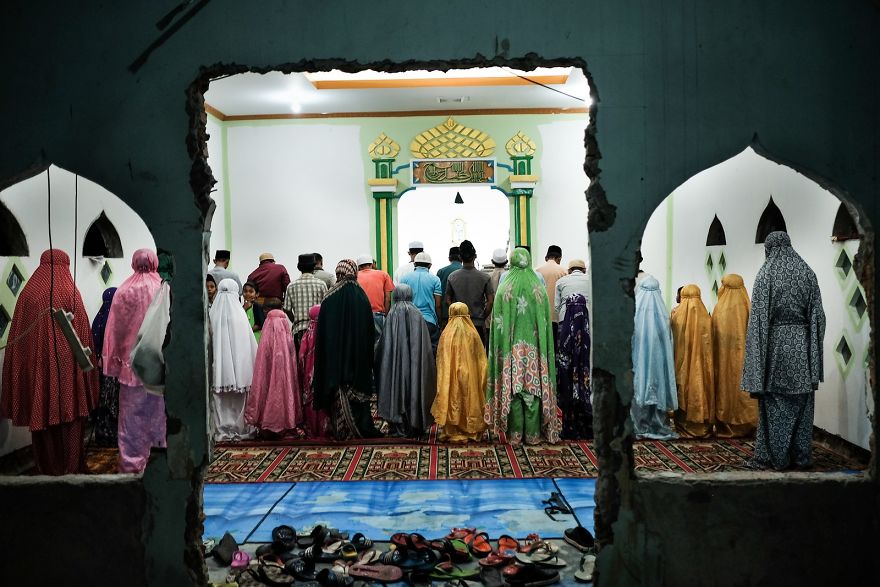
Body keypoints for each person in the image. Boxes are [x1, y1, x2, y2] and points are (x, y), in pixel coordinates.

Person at [0, 249, 99, 475]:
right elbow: (83, 335)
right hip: (69, 374)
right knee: (71, 425)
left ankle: (46, 469)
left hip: (39, 376)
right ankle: (70, 470)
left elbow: (18, 341)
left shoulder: (27, 294)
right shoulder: (69, 291)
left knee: (42, 424)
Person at [742, 231, 825, 470]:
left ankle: (773, 458)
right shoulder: (807, 272)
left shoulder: (766, 273)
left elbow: (758, 321)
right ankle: (801, 457)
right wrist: (813, 355)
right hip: (803, 349)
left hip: (776, 349)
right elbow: (818, 317)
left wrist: (756, 367)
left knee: (775, 407)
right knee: (803, 407)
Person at [485, 247, 561, 445]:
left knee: (515, 392)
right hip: (535, 350)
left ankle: (515, 435)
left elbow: (498, 323)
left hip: (511, 351)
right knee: (534, 392)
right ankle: (534, 435)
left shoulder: (504, 287)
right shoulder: (538, 287)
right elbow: (544, 321)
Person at [103, 248, 166, 473]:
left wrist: (115, 361)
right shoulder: (162, 287)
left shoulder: (123, 290)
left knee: (131, 420)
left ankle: (131, 464)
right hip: (157, 364)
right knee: (159, 415)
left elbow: (114, 330)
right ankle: (161, 462)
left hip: (129, 366)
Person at [313, 260, 379, 440]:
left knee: (337, 391)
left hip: (334, 357)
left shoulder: (329, 297)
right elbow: (368, 329)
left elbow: (323, 331)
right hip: (358, 356)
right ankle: (362, 426)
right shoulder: (361, 296)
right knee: (358, 389)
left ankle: (340, 429)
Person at [375, 284, 437, 437]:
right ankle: (415, 423)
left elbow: (384, 346)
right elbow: (424, 347)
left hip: (395, 364)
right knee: (415, 384)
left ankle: (397, 424)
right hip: (415, 364)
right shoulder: (417, 313)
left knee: (395, 383)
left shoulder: (392, 314)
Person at [432, 302, 488, 442]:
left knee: (453, 397)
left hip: (450, 377)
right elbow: (481, 359)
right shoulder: (472, 333)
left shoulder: (446, 334)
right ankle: (470, 429)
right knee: (469, 397)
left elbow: (441, 359)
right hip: (470, 376)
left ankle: (452, 429)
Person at [209, 278, 258, 441]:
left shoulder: (212, 316)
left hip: (218, 371)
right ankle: (240, 427)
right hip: (240, 370)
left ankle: (220, 429)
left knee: (219, 399)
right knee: (238, 400)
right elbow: (250, 345)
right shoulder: (240, 317)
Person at [630, 276, 678, 439]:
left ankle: (639, 425)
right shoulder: (663, 315)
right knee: (658, 390)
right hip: (658, 364)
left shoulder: (635, 315)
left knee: (640, 388)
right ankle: (657, 424)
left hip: (640, 363)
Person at [712, 274, 758, 438]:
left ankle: (726, 426)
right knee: (744, 390)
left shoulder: (720, 309)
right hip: (746, 359)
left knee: (726, 389)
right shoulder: (748, 306)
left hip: (724, 360)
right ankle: (748, 425)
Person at [245, 309, 301, 437]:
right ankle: (285, 422)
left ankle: (266, 422)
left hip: (269, 375)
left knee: (266, 386)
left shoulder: (265, 340)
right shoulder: (286, 336)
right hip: (283, 376)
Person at [670, 284, 714, 438]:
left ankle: (684, 425)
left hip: (681, 363)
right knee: (701, 387)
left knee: (683, 389)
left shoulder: (676, 315)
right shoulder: (706, 317)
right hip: (701, 366)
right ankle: (702, 426)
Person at [446, 240, 494, 351]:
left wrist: (457, 313)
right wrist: (482, 316)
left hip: (459, 325)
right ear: (475, 256)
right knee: (478, 360)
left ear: (460, 257)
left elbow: (448, 300)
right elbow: (490, 301)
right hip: (477, 324)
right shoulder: (484, 277)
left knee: (461, 359)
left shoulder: (452, 277)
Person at [556, 293, 593, 439]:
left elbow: (562, 355)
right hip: (584, 374)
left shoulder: (564, 329)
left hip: (569, 376)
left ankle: (570, 427)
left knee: (569, 391)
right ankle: (585, 428)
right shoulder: (588, 328)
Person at [90, 287, 119, 447]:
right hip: (114, 370)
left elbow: (94, 342)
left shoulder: (98, 318)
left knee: (103, 402)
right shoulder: (120, 318)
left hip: (101, 370)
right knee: (112, 402)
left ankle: (102, 435)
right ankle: (112, 435)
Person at [299, 304, 331, 439]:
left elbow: (301, 357)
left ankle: (311, 430)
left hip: (309, 375)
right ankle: (326, 430)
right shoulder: (329, 333)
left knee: (310, 401)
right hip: (325, 375)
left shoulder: (307, 334)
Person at [283, 253, 327, 348]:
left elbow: (286, 309)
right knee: (315, 361)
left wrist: (295, 319)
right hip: (317, 331)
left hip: (299, 330)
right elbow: (326, 308)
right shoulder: (321, 285)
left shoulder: (291, 286)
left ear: (299, 268)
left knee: (300, 361)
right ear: (314, 267)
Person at [400, 252, 442, 351]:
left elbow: (401, 302)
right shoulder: (435, 280)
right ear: (430, 265)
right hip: (429, 321)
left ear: (414, 264)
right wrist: (439, 323)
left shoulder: (404, 279)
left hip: (409, 319)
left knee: (411, 351)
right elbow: (438, 305)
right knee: (431, 352)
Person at [536, 245, 569, 346]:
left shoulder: (536, 271)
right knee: (556, 346)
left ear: (546, 258)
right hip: (557, 316)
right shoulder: (564, 271)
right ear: (559, 258)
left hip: (541, 314)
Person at [356, 253, 393, 337]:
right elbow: (388, 299)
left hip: (360, 316)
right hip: (379, 316)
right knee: (380, 344)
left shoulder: (355, 276)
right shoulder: (384, 275)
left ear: (359, 266)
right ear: (372, 264)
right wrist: (386, 316)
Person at [436, 246, 462, 326]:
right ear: (461, 257)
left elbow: (438, 296)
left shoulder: (441, 271)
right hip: (463, 314)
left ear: (449, 258)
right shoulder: (466, 271)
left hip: (446, 314)